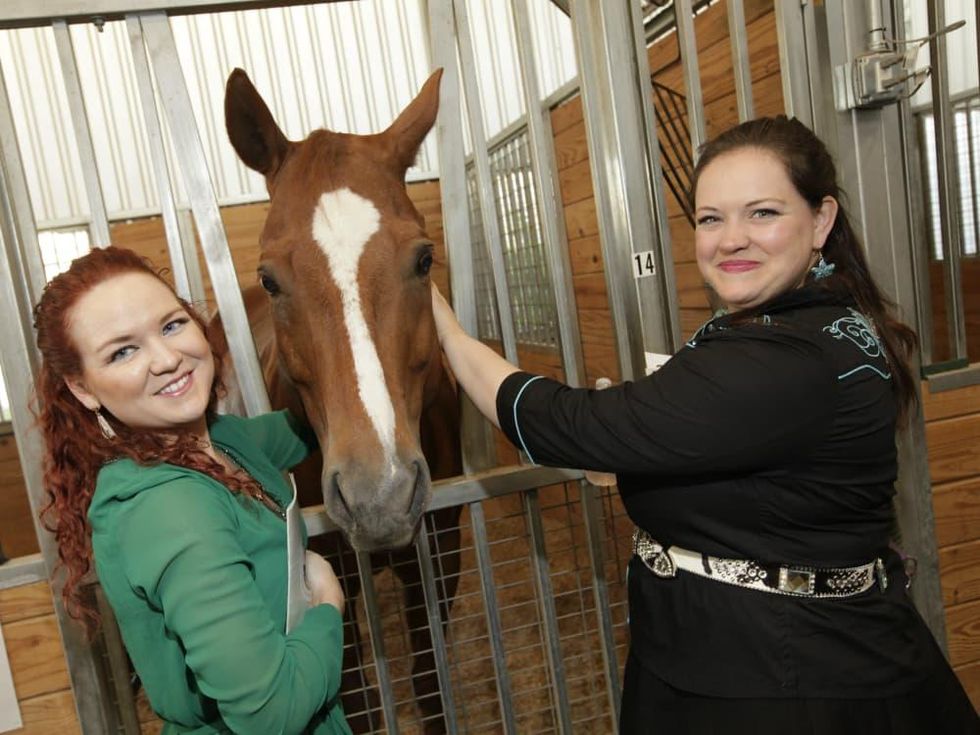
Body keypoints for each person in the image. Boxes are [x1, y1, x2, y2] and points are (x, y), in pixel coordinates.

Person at [431, 116, 979, 733]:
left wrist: (447, 333)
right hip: (747, 650)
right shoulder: (815, 319)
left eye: (763, 213)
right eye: (711, 219)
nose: (731, 239)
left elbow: (569, 425)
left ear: (821, 221)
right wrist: (646, 449)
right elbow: (749, 459)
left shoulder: (784, 359)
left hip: (775, 679)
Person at [33, 246, 352, 735]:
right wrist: (329, 608)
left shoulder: (220, 440)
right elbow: (271, 712)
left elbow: (309, 422)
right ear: (83, 389)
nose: (167, 359)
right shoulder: (167, 508)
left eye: (171, 325)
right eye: (123, 351)